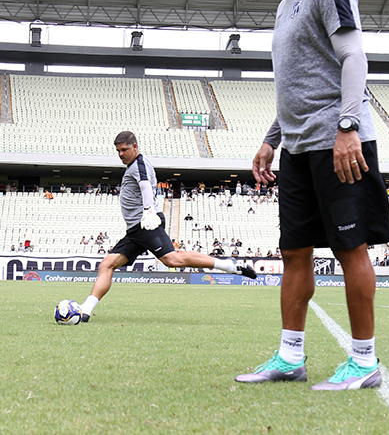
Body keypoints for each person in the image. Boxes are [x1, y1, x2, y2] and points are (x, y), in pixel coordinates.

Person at [236, 0, 389, 391]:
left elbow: (353, 56)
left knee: (349, 249)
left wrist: (348, 127)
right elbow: (296, 87)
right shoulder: (285, 7)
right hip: (299, 149)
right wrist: (271, 138)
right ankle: (290, 358)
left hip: (338, 143)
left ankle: (364, 361)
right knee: (294, 253)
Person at [78, 131, 256, 323]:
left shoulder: (139, 164)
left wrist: (148, 211)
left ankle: (228, 266)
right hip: (135, 230)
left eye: (124, 149)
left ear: (135, 147)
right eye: (118, 151)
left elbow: (145, 186)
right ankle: (85, 310)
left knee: (172, 260)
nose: (121, 154)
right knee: (107, 264)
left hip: (145, 224)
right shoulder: (133, 166)